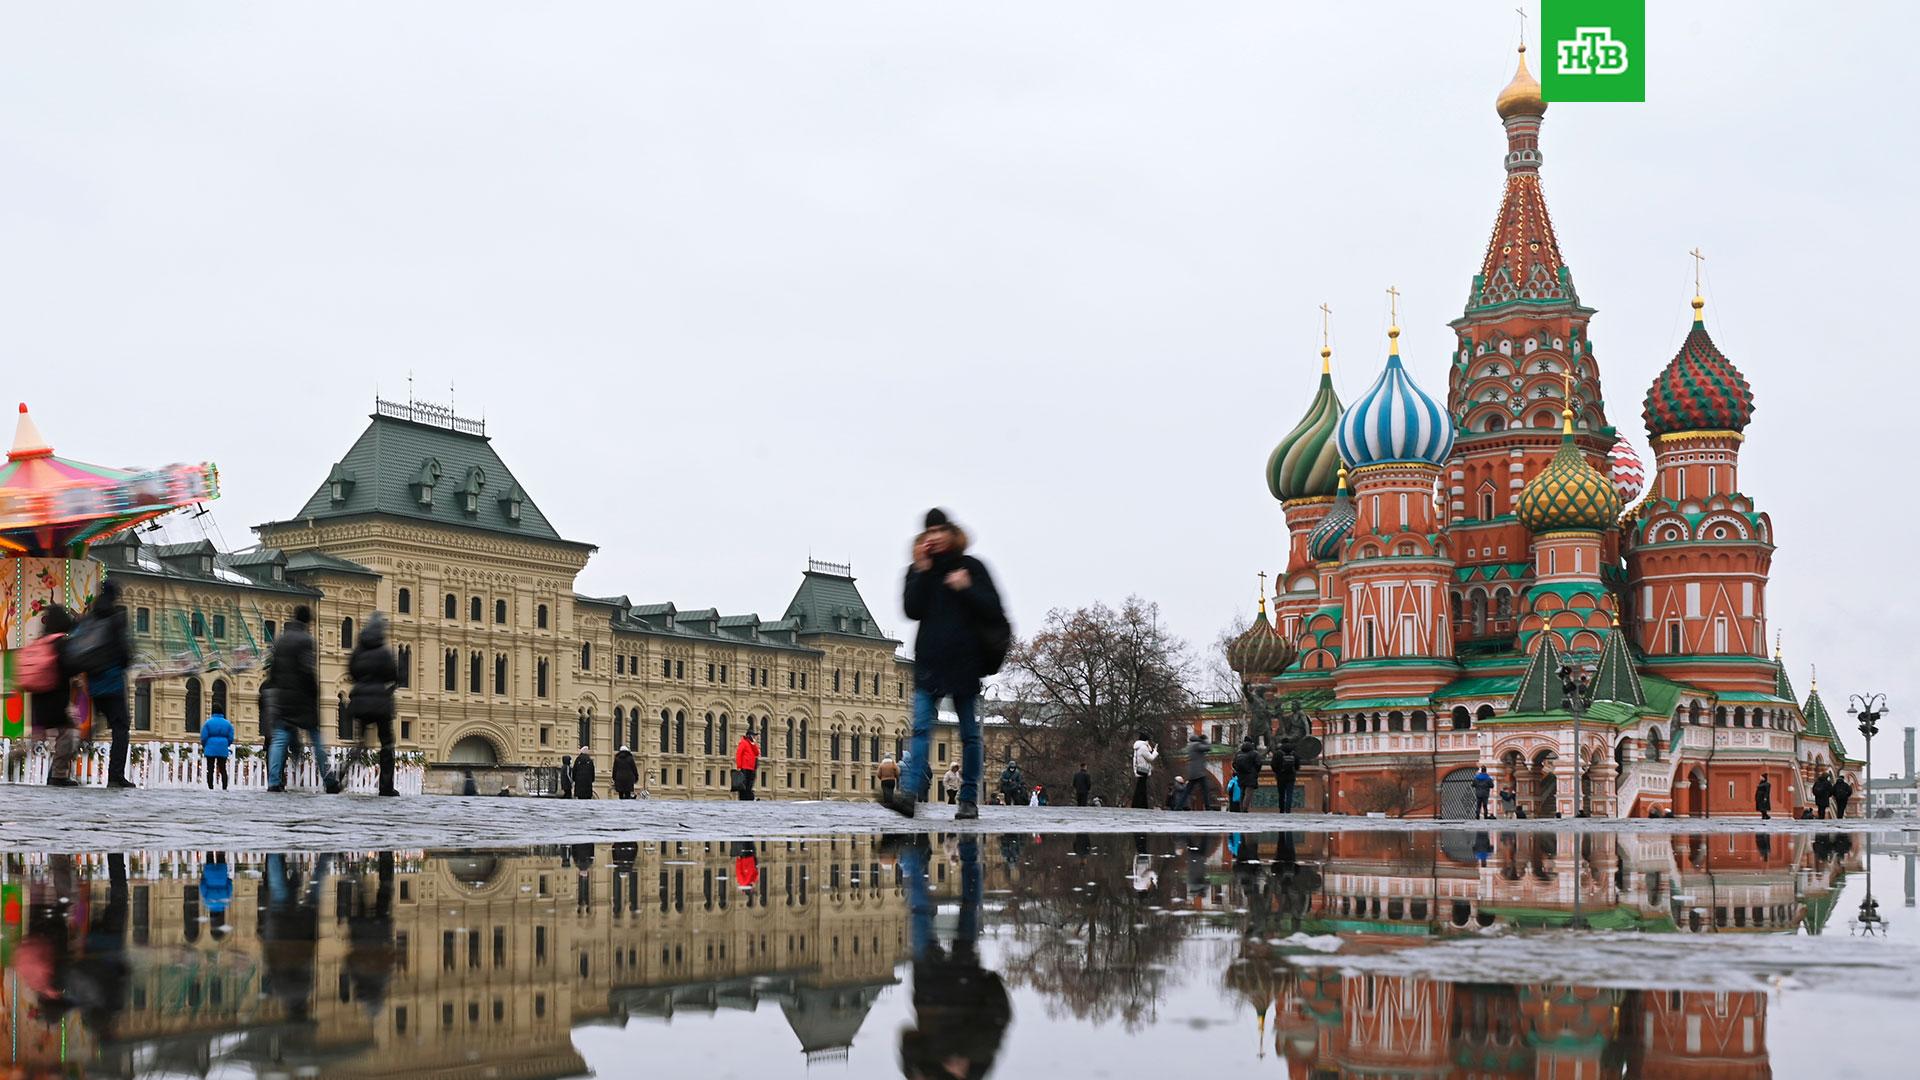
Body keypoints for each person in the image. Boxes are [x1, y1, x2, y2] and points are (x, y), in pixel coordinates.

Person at [890, 508, 1008, 822]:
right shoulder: (921, 570)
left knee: (969, 734)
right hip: (929, 662)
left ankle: (968, 798)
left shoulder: (971, 567)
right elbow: (912, 609)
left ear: (949, 533)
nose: (935, 537)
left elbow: (994, 610)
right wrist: (921, 569)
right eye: (929, 532)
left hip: (963, 663)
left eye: (939, 530)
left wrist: (966, 587)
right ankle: (911, 795)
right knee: (920, 730)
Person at [895, 834, 1010, 1079]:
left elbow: (908, 1039)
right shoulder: (976, 1069)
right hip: (957, 980)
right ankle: (961, 848)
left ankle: (913, 847)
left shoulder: (924, 1072)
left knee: (924, 909)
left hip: (935, 987)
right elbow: (999, 1017)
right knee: (958, 906)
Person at [265, 605, 331, 792]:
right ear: (308, 622)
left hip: (283, 696)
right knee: (316, 738)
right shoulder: (307, 640)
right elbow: (307, 668)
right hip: (303, 697)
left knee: (279, 739)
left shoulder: (280, 640)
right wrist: (314, 691)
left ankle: (274, 781)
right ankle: (329, 779)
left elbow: (273, 669)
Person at [80, 579, 136, 788]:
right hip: (112, 681)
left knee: (92, 727)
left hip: (93, 682)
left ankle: (59, 768)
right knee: (120, 727)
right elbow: (123, 649)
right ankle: (115, 776)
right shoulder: (116, 617)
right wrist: (127, 662)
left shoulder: (90, 618)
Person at [21, 605, 80, 786]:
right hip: (56, 697)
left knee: (39, 736)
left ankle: (18, 752)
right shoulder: (61, 643)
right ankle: (58, 775)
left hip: (38, 697)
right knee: (69, 735)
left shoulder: (41, 642)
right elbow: (69, 667)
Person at [347, 613, 401, 796]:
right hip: (381, 703)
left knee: (360, 742)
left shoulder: (358, 651)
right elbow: (394, 676)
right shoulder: (384, 652)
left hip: (361, 701)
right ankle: (386, 787)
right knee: (387, 743)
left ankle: (342, 775)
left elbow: (352, 671)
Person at [200, 710, 235, 790]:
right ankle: (224, 787)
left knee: (210, 769)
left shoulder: (208, 723)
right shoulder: (228, 723)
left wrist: (205, 745)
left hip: (210, 747)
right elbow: (230, 737)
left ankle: (210, 787)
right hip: (222, 748)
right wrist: (226, 744)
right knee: (223, 769)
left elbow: (204, 737)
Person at [1231, 737, 1262, 813]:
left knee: (1242, 792)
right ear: (1251, 743)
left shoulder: (1238, 753)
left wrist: (1238, 771)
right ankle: (1245, 809)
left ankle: (1241, 809)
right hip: (1251, 776)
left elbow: (1234, 764)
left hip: (1241, 776)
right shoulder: (1255, 753)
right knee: (1248, 793)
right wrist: (1255, 772)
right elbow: (1258, 764)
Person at [1130, 731, 1160, 809]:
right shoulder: (1143, 747)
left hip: (1139, 768)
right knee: (1142, 788)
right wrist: (1155, 752)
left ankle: (1138, 803)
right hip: (1144, 769)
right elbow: (1150, 758)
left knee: (1140, 787)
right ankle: (1141, 804)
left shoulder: (1137, 747)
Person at [1185, 729, 1213, 811]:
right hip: (1199, 772)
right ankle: (1208, 807)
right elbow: (1208, 748)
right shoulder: (1196, 745)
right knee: (1205, 790)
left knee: (1187, 790)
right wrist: (1205, 740)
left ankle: (1178, 806)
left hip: (1192, 772)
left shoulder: (1190, 746)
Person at [1271, 739, 1300, 813]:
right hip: (1291, 776)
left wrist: (1277, 771)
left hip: (1280, 776)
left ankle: (1281, 809)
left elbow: (1273, 765)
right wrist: (1294, 771)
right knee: (1289, 793)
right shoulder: (1294, 753)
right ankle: (1288, 810)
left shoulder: (1278, 753)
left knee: (1281, 794)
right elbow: (1297, 765)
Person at [734, 727, 759, 801]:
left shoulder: (752, 744)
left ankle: (748, 796)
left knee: (750, 783)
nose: (754, 737)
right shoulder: (743, 742)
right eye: (753, 735)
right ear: (749, 736)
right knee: (744, 783)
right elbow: (739, 754)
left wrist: (753, 744)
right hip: (745, 767)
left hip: (752, 767)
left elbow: (757, 753)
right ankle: (744, 797)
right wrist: (739, 766)